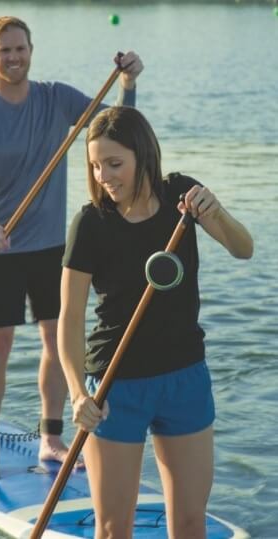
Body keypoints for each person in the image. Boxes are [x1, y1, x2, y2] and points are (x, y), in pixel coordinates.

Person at [0, 16, 144, 481]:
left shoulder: (55, 98)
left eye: (20, 48)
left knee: (57, 339)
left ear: (31, 51)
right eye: (5, 50)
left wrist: (128, 84)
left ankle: (51, 437)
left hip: (51, 246)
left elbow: (117, 130)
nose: (14, 57)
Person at [58, 106, 253, 538]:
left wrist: (216, 211)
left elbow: (244, 249)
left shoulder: (183, 198)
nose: (104, 176)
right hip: (114, 387)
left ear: (143, 154)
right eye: (95, 166)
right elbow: (69, 320)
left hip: (184, 378)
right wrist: (77, 393)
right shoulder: (90, 223)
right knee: (113, 528)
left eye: (114, 163)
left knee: (190, 523)